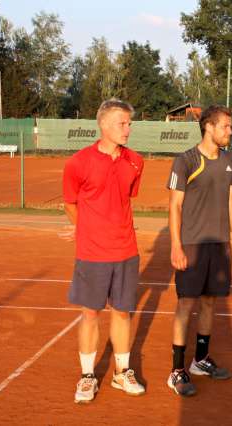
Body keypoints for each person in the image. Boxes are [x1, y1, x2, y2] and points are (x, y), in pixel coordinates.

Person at [62, 98, 146, 403]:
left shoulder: (135, 161)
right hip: (92, 253)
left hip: (126, 250)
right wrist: (86, 229)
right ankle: (87, 376)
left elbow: (124, 199)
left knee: (122, 313)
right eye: (122, 123)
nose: (128, 129)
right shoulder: (78, 162)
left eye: (129, 124)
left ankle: (122, 373)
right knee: (90, 314)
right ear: (104, 124)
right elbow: (70, 203)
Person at [166, 105, 232, 397]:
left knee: (210, 301)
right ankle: (177, 370)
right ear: (209, 127)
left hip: (219, 244)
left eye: (230, 126)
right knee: (186, 303)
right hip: (192, 244)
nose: (230, 131)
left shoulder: (229, 159)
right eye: (225, 126)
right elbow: (175, 206)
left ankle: (200, 360)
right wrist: (176, 245)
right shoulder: (185, 160)